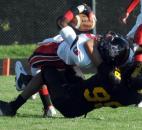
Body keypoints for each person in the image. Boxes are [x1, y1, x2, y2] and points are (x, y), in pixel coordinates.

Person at [0, 32, 138, 118]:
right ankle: (27, 84)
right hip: (80, 96)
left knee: (47, 71)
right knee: (69, 67)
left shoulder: (110, 74)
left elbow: (90, 45)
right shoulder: (132, 96)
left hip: (68, 103)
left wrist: (100, 41)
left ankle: (13, 105)